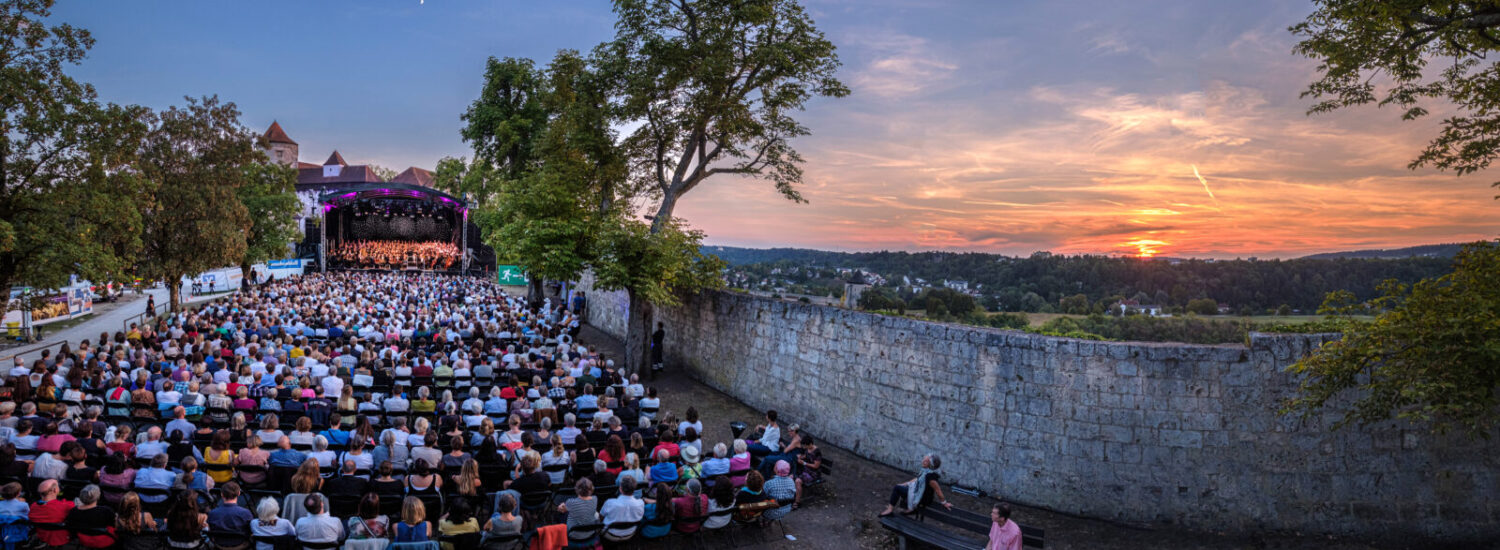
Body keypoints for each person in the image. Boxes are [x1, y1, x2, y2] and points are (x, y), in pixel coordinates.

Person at [879, 454, 952, 517]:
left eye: (926, 461)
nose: (923, 461)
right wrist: (904, 484)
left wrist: (944, 503)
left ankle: (889, 510)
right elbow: (916, 480)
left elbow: (938, 491)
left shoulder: (931, 477)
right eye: (924, 459)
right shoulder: (925, 472)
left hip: (923, 499)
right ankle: (911, 509)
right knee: (901, 487)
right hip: (919, 493)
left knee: (897, 488)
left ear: (930, 465)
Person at [206, 482, 253, 550]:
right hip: (240, 544)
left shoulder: (212, 513)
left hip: (220, 544)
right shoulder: (245, 513)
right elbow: (250, 530)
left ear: (222, 494)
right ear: (239, 493)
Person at [598, 476, 643, 542]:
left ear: (620, 489)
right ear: (634, 489)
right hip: (630, 534)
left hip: (610, 534)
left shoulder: (610, 502)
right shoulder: (641, 503)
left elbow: (601, 517)